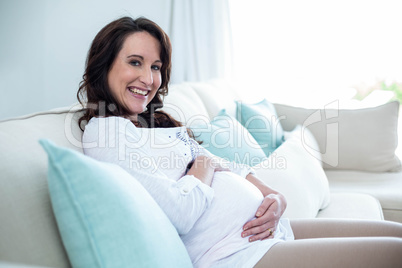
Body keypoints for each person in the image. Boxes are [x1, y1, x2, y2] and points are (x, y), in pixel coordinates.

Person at [78, 16, 402, 267]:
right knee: (394, 254)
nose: (149, 79)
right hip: (232, 256)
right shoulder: (107, 132)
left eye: (156, 67)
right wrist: (204, 164)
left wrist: (273, 196)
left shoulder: (154, 124)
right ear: (104, 64)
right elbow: (180, 212)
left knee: (397, 233)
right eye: (135, 62)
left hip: (265, 233)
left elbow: (226, 164)